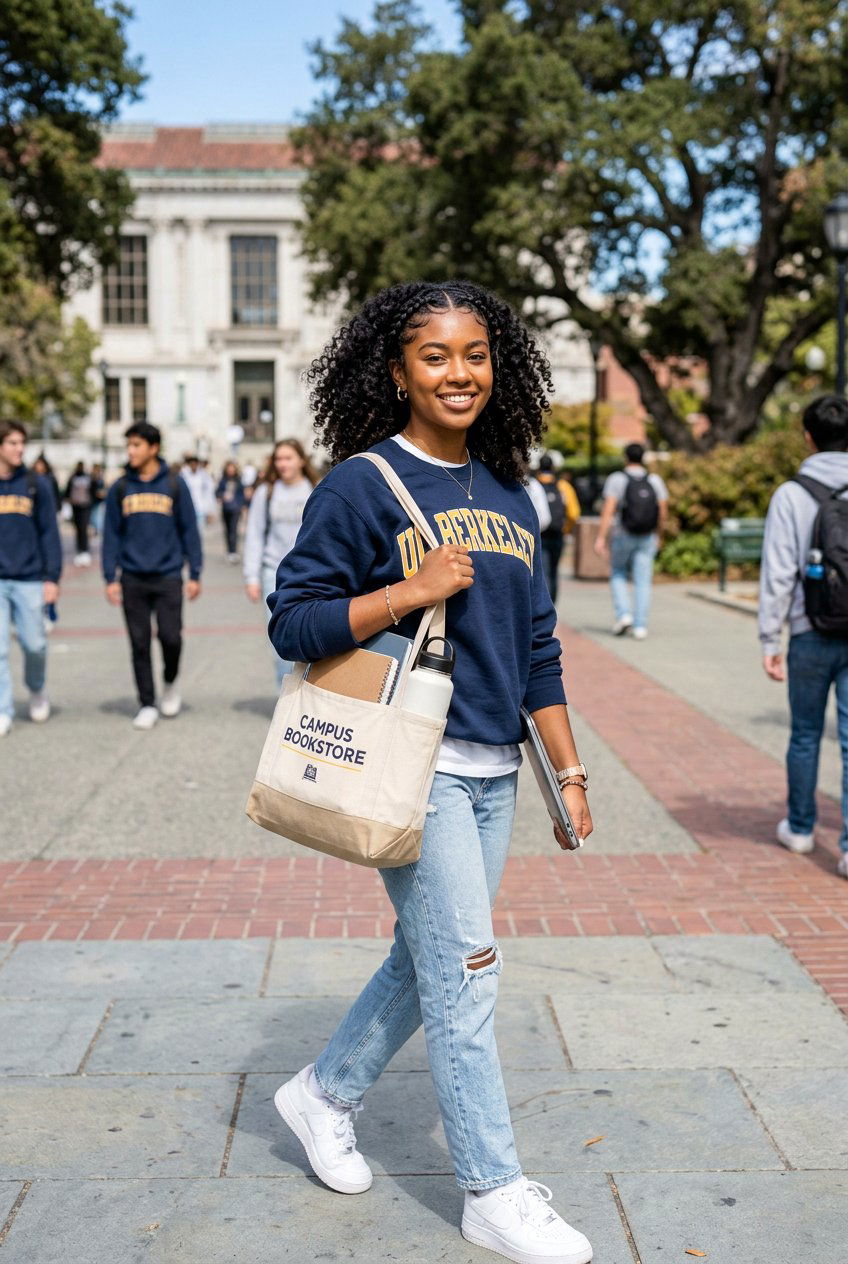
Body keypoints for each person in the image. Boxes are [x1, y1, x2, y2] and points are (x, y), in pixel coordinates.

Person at [267, 281, 594, 1264]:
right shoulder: (360, 485)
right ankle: (492, 1189)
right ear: (397, 372)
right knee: (466, 974)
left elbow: (537, 647)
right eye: (435, 356)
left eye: (475, 354)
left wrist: (568, 772)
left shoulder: (513, 494)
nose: (460, 373)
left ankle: (323, 1093)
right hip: (415, 764)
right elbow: (294, 621)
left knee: (431, 958)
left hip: (497, 768)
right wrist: (408, 590)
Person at [760, 394, 848, 880]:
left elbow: (777, 574)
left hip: (809, 631)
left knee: (806, 734)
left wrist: (770, 640)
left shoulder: (791, 494)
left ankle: (799, 828)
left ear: (809, 437)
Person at [102, 421, 203, 731]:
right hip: (132, 577)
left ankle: (169, 683)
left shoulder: (174, 484)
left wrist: (195, 571)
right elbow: (111, 534)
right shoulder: (121, 487)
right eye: (128, 445)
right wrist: (109, 576)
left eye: (136, 445)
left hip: (168, 575)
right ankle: (147, 703)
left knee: (171, 638)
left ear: (153, 448)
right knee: (139, 643)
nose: (130, 451)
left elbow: (189, 529)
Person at [0, 420, 62, 734]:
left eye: (22, 442)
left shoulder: (36, 484)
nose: (20, 448)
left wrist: (52, 577)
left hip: (29, 577)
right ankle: (3, 708)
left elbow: (49, 532)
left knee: (35, 644)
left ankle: (36, 689)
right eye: (12, 442)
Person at [243, 439, 318, 686]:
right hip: (273, 572)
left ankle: (307, 693)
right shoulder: (267, 492)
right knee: (281, 640)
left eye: (288, 458)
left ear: (301, 460)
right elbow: (254, 534)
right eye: (278, 459)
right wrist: (251, 577)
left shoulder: (314, 489)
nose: (282, 464)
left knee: (310, 636)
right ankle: (284, 695)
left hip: (308, 574)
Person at [594, 442, 668, 639]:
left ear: (626, 458)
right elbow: (662, 512)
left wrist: (601, 537)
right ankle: (640, 626)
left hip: (623, 534)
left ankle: (624, 615)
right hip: (647, 536)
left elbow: (608, 510)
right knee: (643, 580)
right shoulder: (654, 480)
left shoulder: (617, 479)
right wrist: (659, 535)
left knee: (618, 572)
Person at [535, 453, 581, 602]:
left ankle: (545, 604)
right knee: (554, 571)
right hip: (557, 534)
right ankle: (552, 603)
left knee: (544, 571)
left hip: (539, 535)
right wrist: (566, 529)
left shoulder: (534, 485)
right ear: (553, 467)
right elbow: (574, 514)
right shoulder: (563, 486)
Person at [64, 460, 95, 566]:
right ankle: (79, 549)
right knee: (78, 528)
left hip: (85, 506)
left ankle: (85, 549)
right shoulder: (73, 477)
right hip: (75, 506)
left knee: (84, 528)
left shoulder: (88, 477)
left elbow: (92, 489)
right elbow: (68, 490)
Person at [216, 460, 246, 562]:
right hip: (226, 508)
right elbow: (217, 492)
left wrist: (241, 505)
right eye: (229, 469)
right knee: (227, 530)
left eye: (232, 469)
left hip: (235, 509)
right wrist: (222, 495)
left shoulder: (238, 481)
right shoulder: (223, 480)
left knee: (233, 530)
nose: (230, 471)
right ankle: (229, 550)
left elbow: (242, 494)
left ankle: (233, 551)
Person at [180, 454, 216, 533]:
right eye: (191, 464)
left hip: (200, 507)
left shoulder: (203, 476)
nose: (193, 465)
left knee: (199, 530)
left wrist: (210, 510)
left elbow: (209, 493)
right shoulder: (184, 475)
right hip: (188, 507)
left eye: (195, 463)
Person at [90, 463, 106, 536]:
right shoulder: (94, 477)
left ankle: (97, 529)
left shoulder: (98, 478)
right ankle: (96, 529)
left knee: (97, 515)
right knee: (95, 515)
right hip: (94, 499)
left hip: (98, 500)